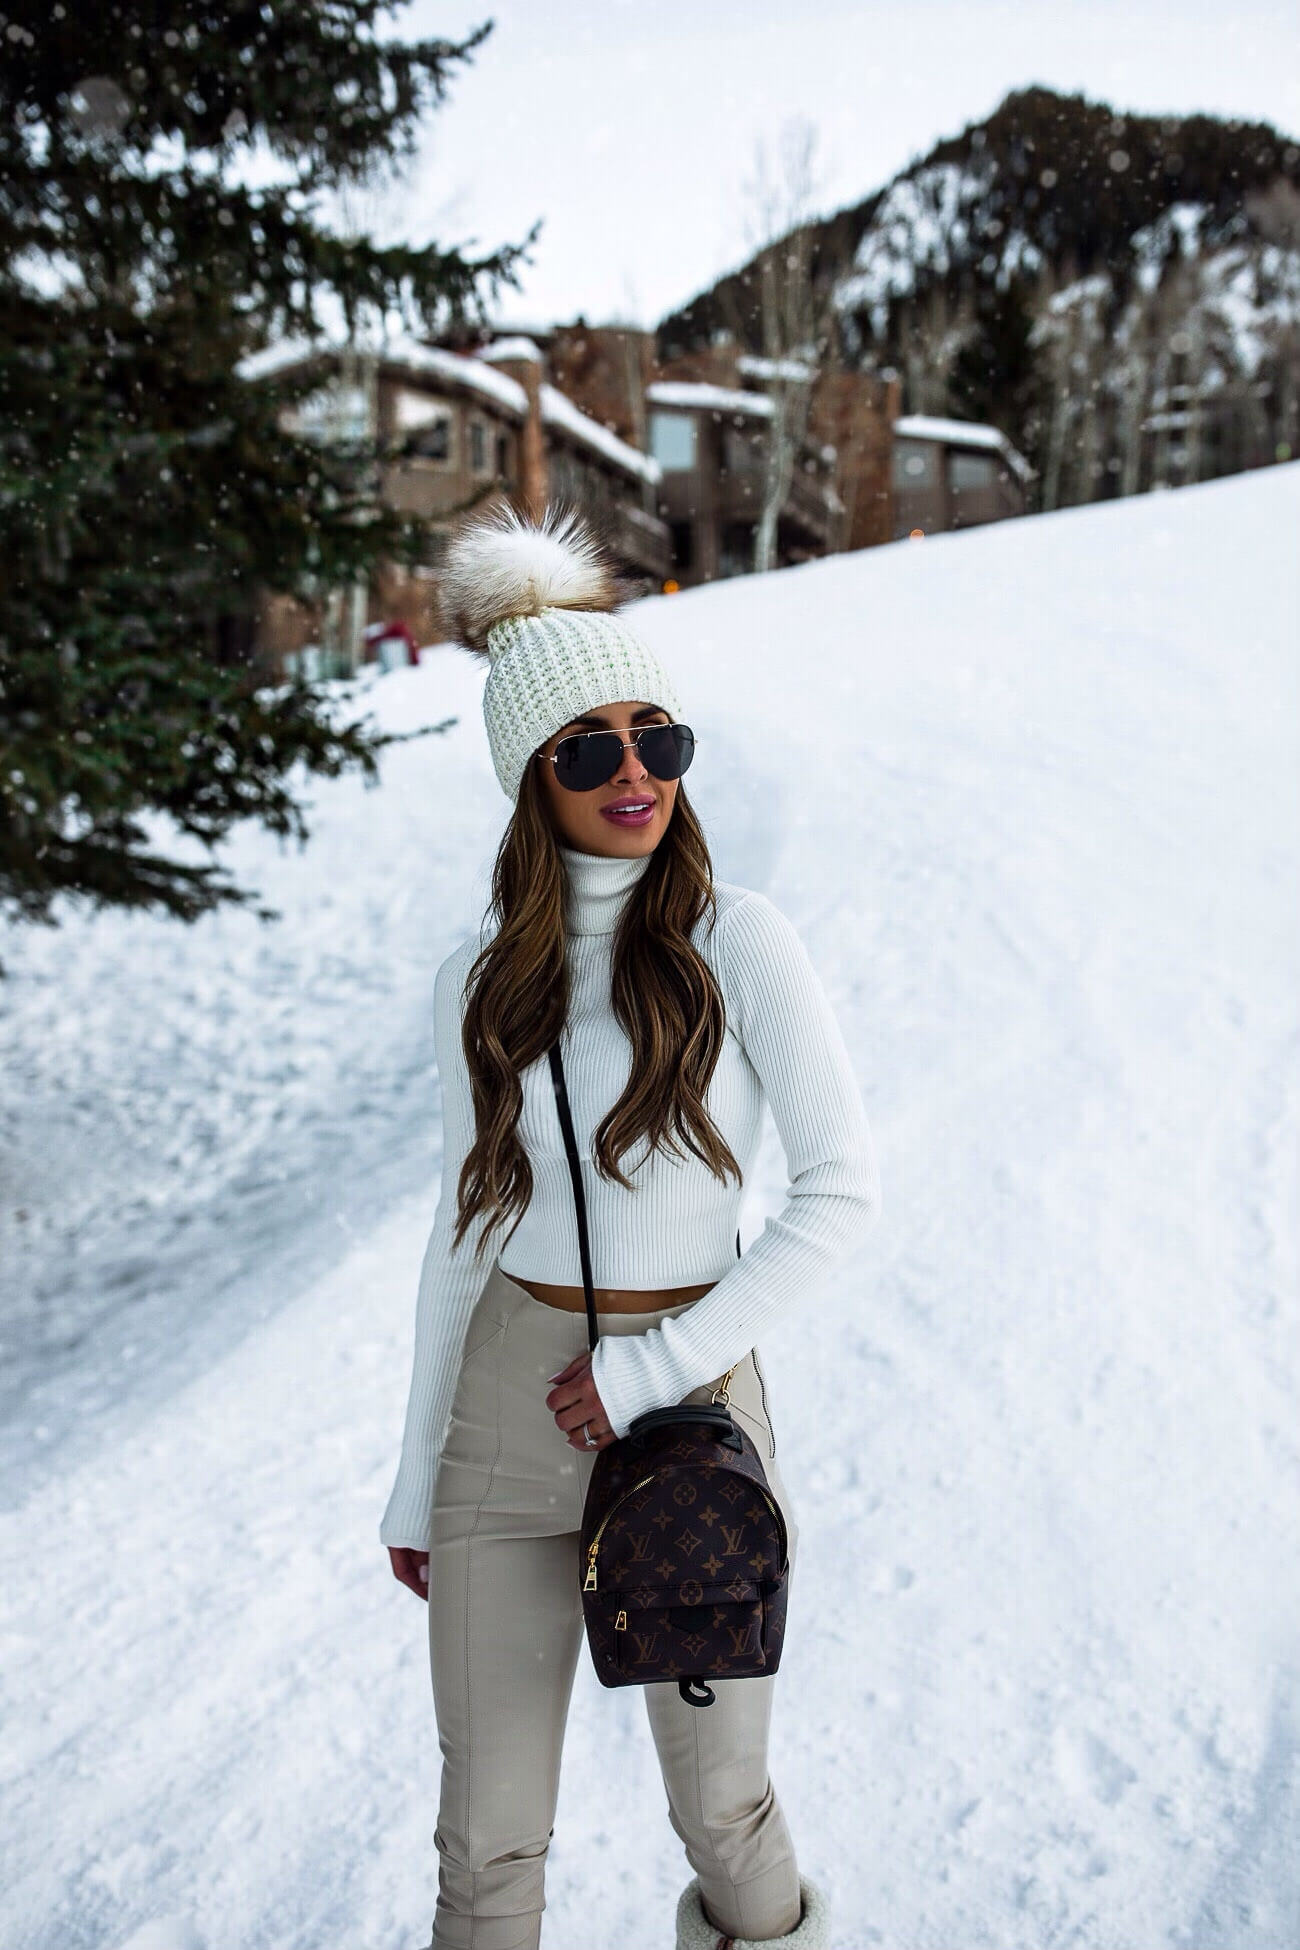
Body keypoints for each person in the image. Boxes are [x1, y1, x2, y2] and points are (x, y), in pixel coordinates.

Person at [380, 498, 880, 1950]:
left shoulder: (741, 941)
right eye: (589, 747)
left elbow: (841, 1197)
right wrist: (418, 1472)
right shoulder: (481, 979)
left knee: (724, 1814)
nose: (634, 774)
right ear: (530, 776)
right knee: (485, 1840)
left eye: (657, 737)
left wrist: (650, 1372)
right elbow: (462, 1232)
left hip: (691, 1401)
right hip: (504, 1410)